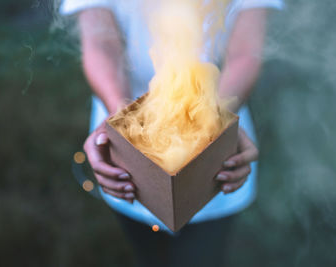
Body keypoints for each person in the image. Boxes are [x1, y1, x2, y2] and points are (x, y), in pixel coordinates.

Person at [60, 0, 283, 266]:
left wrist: (215, 122)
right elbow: (101, 44)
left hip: (216, 118)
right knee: (149, 253)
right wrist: (121, 121)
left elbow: (244, 52)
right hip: (125, 132)